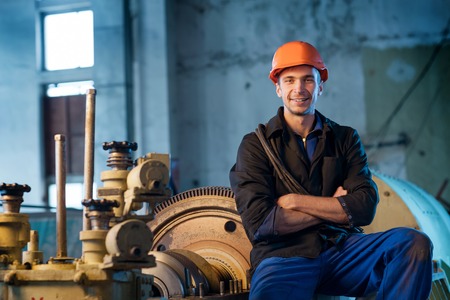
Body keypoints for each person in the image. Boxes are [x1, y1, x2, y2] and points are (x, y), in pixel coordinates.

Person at [229, 41, 433, 300]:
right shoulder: (255, 145)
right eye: (290, 80)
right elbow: (260, 224)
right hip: (283, 258)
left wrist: (295, 202)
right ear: (277, 88)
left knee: (413, 243)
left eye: (308, 80)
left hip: (342, 250)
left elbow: (364, 207)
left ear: (321, 86)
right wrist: (334, 207)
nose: (299, 89)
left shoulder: (345, 138)